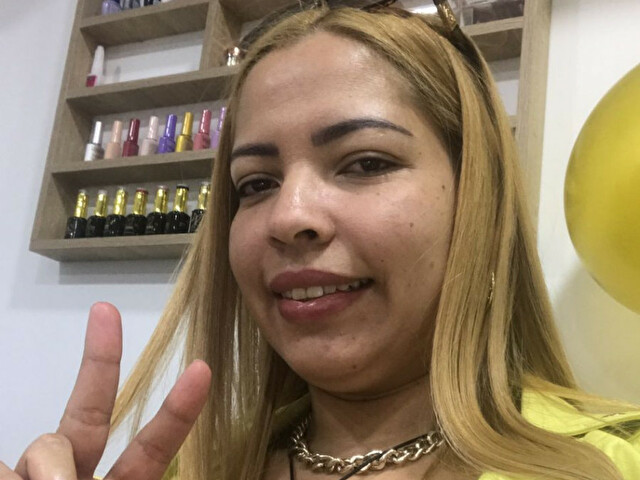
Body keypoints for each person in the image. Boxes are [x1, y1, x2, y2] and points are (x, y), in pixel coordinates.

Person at [3, 1, 640, 479]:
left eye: (365, 162)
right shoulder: (186, 469)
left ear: (478, 204)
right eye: (256, 184)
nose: (288, 216)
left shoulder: (608, 465)